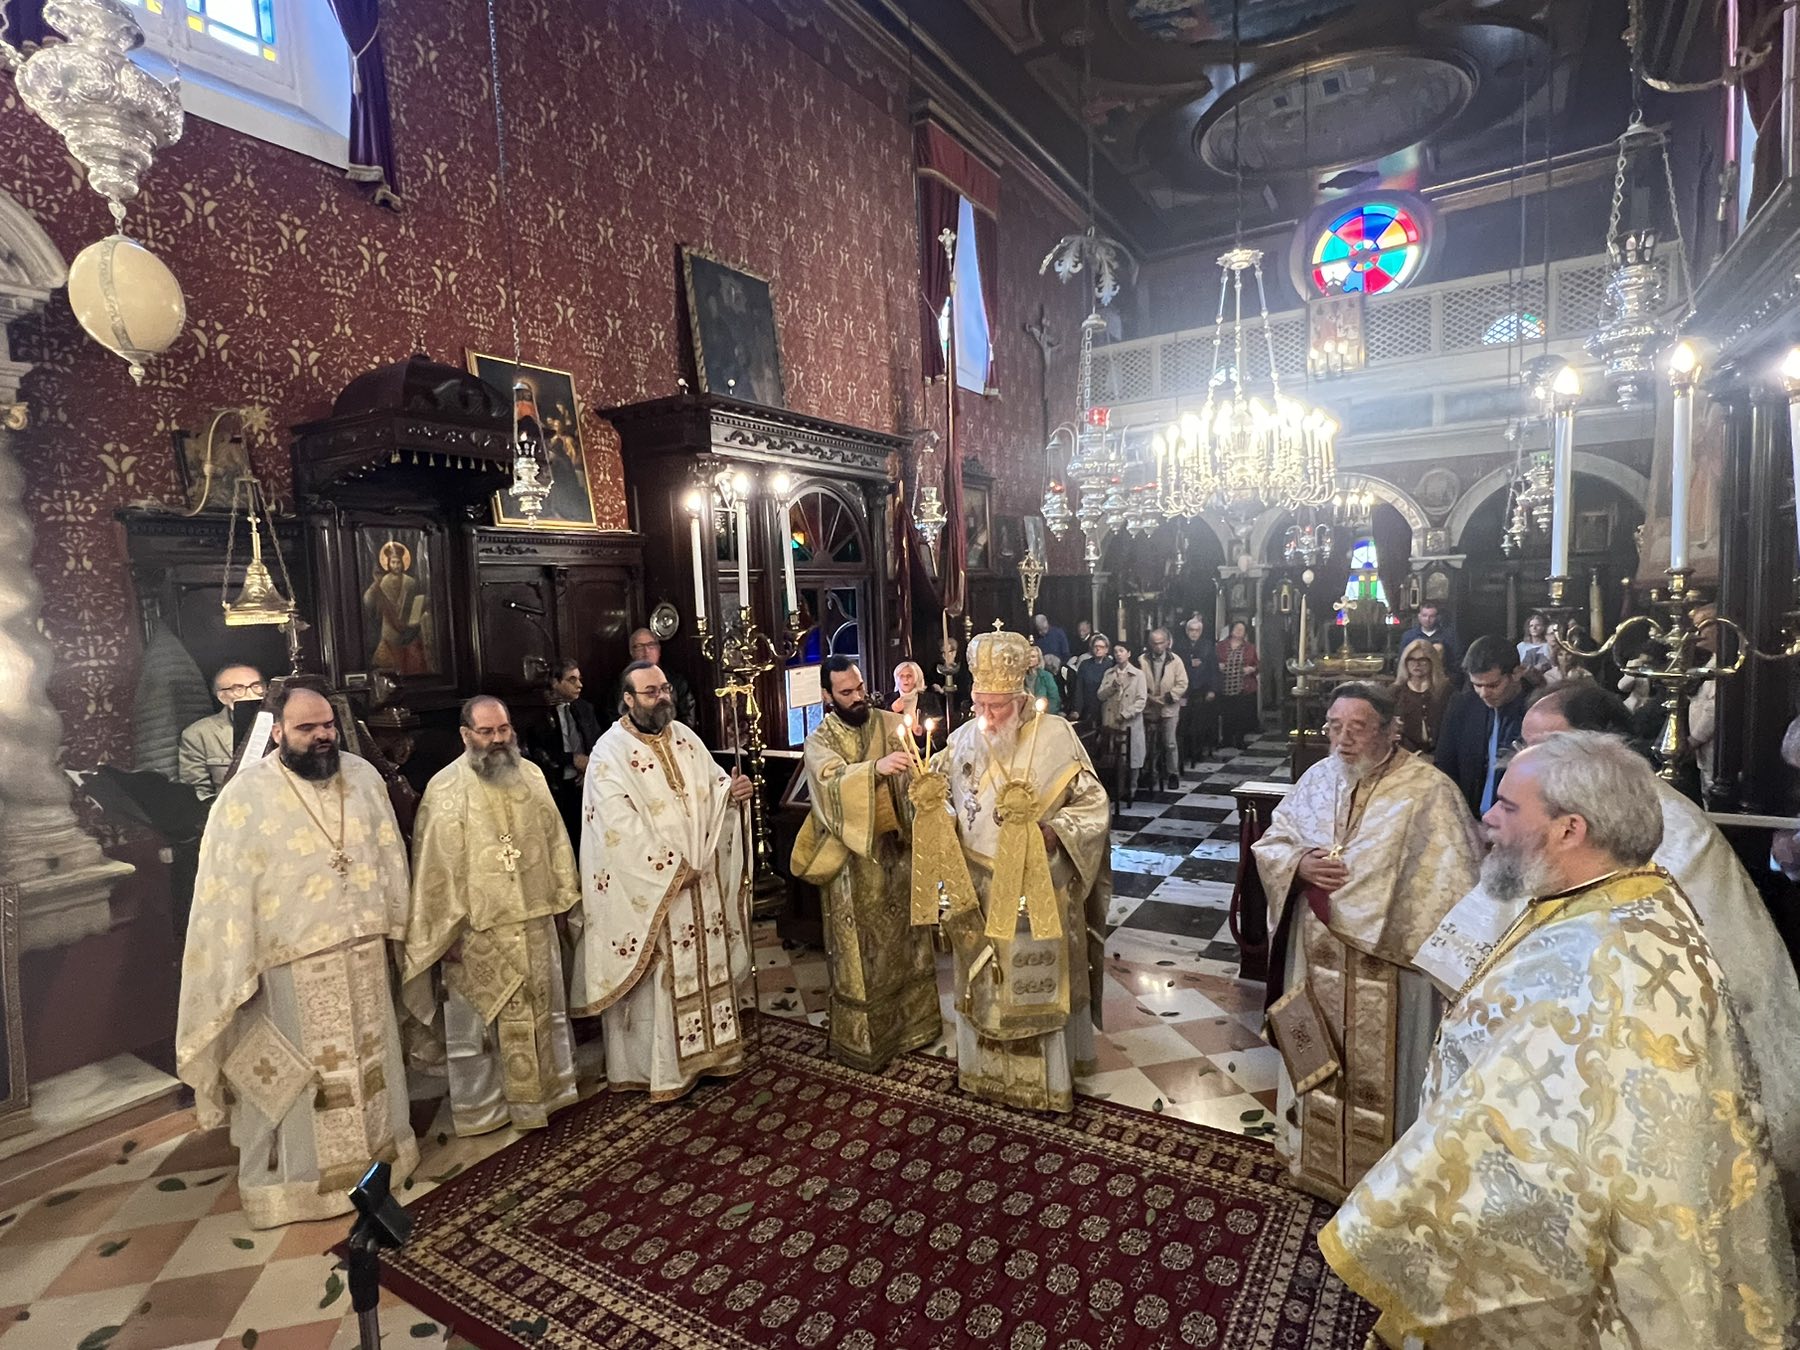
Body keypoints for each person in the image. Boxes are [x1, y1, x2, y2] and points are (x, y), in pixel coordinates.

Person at [1322, 733, 1799, 1349]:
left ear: (1570, 829)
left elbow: (1539, 1133)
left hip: (1586, 1260)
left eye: (1507, 806)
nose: (1487, 818)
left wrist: (1397, 1208)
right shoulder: (1627, 895)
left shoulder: (1604, 958)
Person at [1416, 683, 1800, 1223]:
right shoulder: (1544, 817)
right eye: (1524, 744)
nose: (1526, 760)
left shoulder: (1671, 832)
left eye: (1547, 746)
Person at [175, 685, 416, 1228]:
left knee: (371, 1059)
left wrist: (397, 927)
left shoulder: (363, 777)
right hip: (290, 962)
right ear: (278, 731)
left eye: (327, 724)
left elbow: (389, 855)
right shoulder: (246, 796)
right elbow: (223, 892)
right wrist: (238, 967)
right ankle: (301, 1188)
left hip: (362, 949)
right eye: (306, 728)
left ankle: (382, 1161)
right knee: (301, 1075)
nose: (322, 735)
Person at [1251, 682, 1480, 1202]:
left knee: (1387, 1073)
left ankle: (1387, 1184)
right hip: (1317, 955)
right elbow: (1274, 840)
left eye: (1358, 728)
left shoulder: (1429, 791)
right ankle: (1311, 1156)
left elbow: (1453, 884)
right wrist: (1299, 864)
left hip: (1391, 967)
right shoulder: (1317, 778)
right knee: (1317, 1051)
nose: (1343, 739)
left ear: (1390, 730)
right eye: (1335, 727)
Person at [936, 631, 1110, 1112]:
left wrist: (1057, 830)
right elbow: (941, 796)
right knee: (983, 986)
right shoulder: (961, 739)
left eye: (996, 706)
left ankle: (1048, 1082)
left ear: (1019, 699)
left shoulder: (1056, 736)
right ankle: (983, 1073)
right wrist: (938, 812)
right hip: (978, 889)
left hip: (1040, 887)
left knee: (1035, 989)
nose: (986, 716)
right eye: (979, 704)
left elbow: (1094, 804)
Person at [569, 660, 755, 1100]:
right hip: (654, 891)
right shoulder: (608, 754)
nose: (662, 698)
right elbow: (615, 828)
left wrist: (732, 795)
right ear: (628, 699)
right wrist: (670, 867)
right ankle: (666, 1071)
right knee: (661, 977)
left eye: (665, 688)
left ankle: (714, 1053)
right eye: (651, 692)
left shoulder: (685, 737)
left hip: (700, 881)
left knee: (706, 962)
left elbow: (713, 789)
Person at [401, 696, 581, 1136]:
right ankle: (485, 1108)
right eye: (487, 732)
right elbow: (433, 870)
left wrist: (563, 902)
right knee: (480, 1028)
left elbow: (556, 842)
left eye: (504, 729)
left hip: (535, 921)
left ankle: (549, 1092)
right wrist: (445, 934)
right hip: (477, 932)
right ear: (466, 735)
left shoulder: (532, 775)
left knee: (543, 1014)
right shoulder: (445, 789)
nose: (498, 739)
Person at [789, 657, 940, 1071]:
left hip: (898, 852)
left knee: (907, 941)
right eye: (846, 692)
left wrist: (920, 782)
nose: (857, 697)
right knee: (861, 952)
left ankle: (916, 1025)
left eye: (859, 687)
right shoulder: (819, 740)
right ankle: (867, 1040)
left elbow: (916, 776)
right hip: (853, 863)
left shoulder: (889, 724)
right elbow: (829, 784)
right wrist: (874, 770)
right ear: (827, 695)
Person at [1432, 634, 1528, 817]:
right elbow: (1445, 765)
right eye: (1477, 685)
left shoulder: (1535, 709)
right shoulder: (1462, 705)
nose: (1484, 694)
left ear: (1517, 673)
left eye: (1493, 685)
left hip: (1517, 819)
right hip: (1468, 816)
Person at [522, 659, 602, 846]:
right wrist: (572, 760)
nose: (579, 685)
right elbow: (539, 752)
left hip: (587, 784)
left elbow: (598, 743)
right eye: (572, 680)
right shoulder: (539, 713)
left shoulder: (585, 709)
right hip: (557, 786)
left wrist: (588, 769)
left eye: (580, 679)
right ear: (555, 682)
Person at [177, 663, 264, 798]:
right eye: (238, 688)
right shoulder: (199, 734)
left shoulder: (284, 723)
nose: (251, 694)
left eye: (256, 686)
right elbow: (198, 793)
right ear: (223, 697)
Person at [363, 539, 432, 674]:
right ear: (388, 563)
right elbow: (368, 601)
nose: (396, 566)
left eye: (398, 562)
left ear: (403, 563)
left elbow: (418, 602)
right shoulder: (382, 582)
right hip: (390, 631)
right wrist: (375, 585)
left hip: (410, 630)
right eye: (393, 562)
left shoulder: (410, 582)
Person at [606, 629, 698, 728]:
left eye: (651, 645)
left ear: (659, 649)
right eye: (639, 646)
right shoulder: (621, 684)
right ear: (631, 652)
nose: (646, 651)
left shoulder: (677, 681)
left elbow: (688, 718)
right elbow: (614, 718)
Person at [1097, 637, 1147, 805]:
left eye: (1121, 651)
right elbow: (1100, 695)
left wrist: (1126, 714)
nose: (1118, 654)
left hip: (1130, 722)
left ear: (1128, 653)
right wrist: (1112, 687)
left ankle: (1132, 788)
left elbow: (1141, 700)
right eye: (1116, 651)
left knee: (1132, 755)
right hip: (1112, 720)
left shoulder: (1138, 675)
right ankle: (1117, 788)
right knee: (1115, 756)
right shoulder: (1109, 673)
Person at [1139, 626, 1188, 791]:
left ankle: (1173, 774)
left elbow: (1182, 683)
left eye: (1161, 643)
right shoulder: (1142, 660)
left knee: (1169, 743)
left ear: (1167, 643)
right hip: (1149, 707)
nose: (1158, 646)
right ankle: (1150, 773)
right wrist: (1147, 696)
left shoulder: (1175, 660)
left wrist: (1169, 697)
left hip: (1169, 707)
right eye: (1154, 643)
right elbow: (1137, 680)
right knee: (1149, 743)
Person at [1390, 638, 1450, 755]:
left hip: (1441, 754)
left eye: (1422, 660)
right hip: (1405, 756)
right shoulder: (1394, 692)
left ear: (1432, 661)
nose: (1416, 664)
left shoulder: (1446, 691)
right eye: (1411, 659)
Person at [1172, 615, 1218, 767]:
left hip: (1202, 688)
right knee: (1184, 723)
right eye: (1191, 630)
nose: (1194, 633)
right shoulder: (1179, 646)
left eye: (1197, 630)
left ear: (1201, 631)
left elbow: (1213, 669)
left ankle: (1198, 752)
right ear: (1187, 631)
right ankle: (1185, 753)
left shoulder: (1207, 645)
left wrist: (1212, 689)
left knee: (1200, 723)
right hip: (1184, 689)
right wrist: (1188, 662)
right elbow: (1175, 666)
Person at [1215, 619, 1260, 750]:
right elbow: (1212, 661)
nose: (1239, 631)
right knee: (1227, 713)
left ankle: (1239, 739)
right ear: (1231, 630)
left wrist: (1252, 669)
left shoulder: (1250, 647)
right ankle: (1226, 739)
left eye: (1242, 630)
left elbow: (1257, 665)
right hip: (1224, 684)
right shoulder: (1220, 646)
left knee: (1241, 714)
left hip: (1243, 685)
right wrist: (1218, 666)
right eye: (1237, 629)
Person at [1396, 601, 1461, 680]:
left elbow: (1455, 661)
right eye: (1424, 615)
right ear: (1419, 616)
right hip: (1414, 680)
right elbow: (1401, 661)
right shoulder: (1409, 636)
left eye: (1431, 616)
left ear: (1437, 617)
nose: (1427, 619)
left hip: (1441, 680)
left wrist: (1450, 679)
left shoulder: (1448, 637)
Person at [1071, 631, 1111, 727]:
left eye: (1101, 647)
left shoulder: (1111, 665)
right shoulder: (1085, 665)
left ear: (1106, 649)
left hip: (1106, 708)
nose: (1098, 649)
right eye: (1095, 646)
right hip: (1088, 707)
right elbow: (1079, 688)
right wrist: (1077, 709)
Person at [931, 635, 971, 724]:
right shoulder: (935, 669)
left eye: (949, 652)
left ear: (954, 653)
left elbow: (964, 688)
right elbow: (931, 684)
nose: (946, 656)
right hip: (941, 707)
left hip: (958, 706)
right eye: (943, 653)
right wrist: (938, 689)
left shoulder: (961, 670)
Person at [1025, 643, 1062, 715]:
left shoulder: (1046, 676)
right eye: (1027, 657)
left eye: (1033, 657)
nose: (1030, 659)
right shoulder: (1019, 677)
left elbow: (1054, 699)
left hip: (1043, 714)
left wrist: (1046, 713)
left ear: (1038, 659)